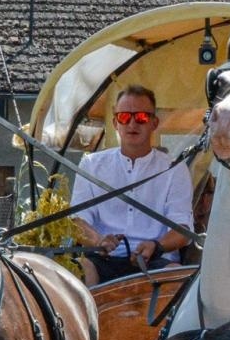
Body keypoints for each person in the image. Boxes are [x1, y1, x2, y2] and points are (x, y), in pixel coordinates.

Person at [69, 84, 195, 286]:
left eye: (142, 118)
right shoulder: (91, 165)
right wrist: (98, 241)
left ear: (154, 123)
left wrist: (156, 246)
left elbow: (183, 229)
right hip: (102, 259)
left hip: (156, 260)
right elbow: (77, 221)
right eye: (125, 117)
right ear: (115, 123)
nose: (132, 124)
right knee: (75, 273)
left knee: (178, 279)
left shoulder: (174, 169)